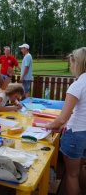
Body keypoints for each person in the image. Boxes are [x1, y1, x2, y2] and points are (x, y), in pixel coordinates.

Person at [45, 47, 86, 195]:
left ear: (78, 63)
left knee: (71, 174)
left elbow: (63, 117)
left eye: (71, 63)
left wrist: (48, 125)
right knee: (81, 168)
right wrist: (62, 125)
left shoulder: (78, 85)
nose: (70, 66)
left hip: (75, 135)